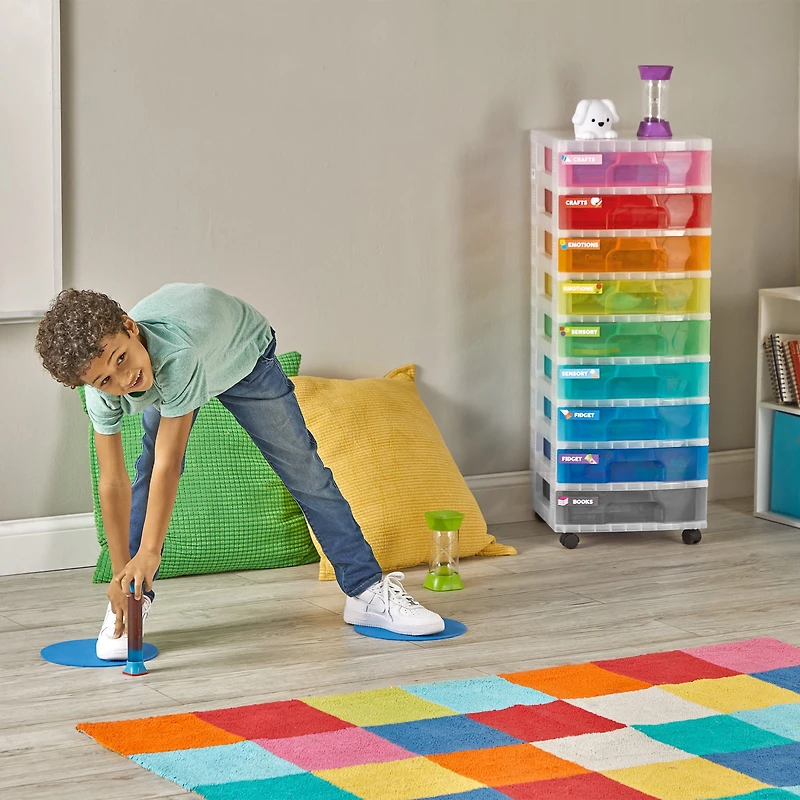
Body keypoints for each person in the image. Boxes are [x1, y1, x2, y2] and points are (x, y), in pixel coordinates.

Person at [35, 283, 444, 660]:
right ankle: (132, 603)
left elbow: (170, 463)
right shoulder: (102, 390)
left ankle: (366, 591)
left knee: (305, 470)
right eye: (106, 379)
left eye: (121, 358)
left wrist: (148, 554)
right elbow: (113, 482)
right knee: (141, 475)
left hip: (242, 354)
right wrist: (125, 573)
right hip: (189, 359)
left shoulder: (175, 358)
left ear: (130, 328)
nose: (124, 379)